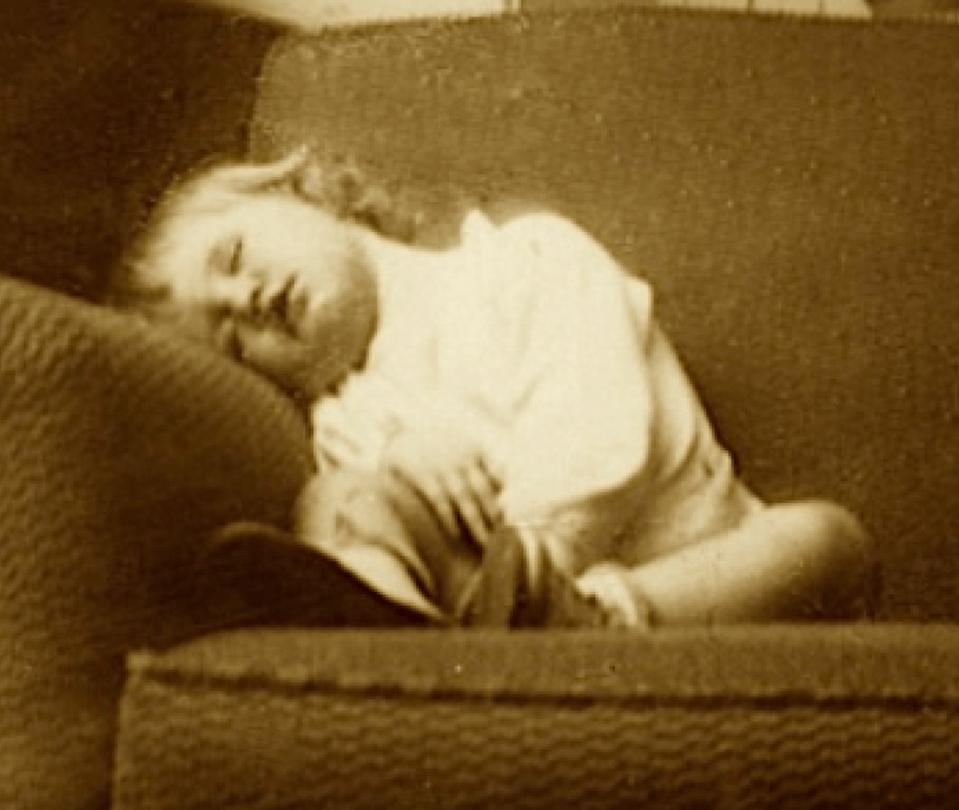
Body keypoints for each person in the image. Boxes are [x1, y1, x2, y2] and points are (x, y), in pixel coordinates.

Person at [111, 149, 878, 629]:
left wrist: (539, 562)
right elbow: (391, 517)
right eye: (229, 340)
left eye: (232, 256)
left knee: (825, 538)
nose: (244, 299)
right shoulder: (347, 421)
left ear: (297, 191)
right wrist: (400, 464)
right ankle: (396, 644)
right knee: (337, 500)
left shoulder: (521, 262)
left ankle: (591, 623)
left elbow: (599, 429)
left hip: (700, 578)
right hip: (491, 610)